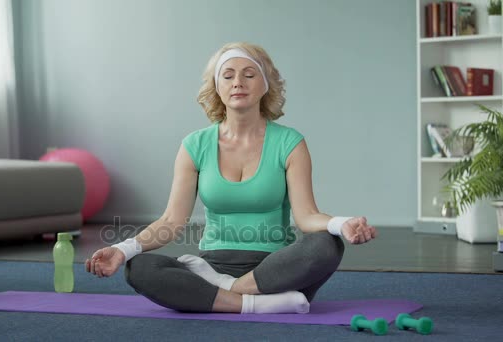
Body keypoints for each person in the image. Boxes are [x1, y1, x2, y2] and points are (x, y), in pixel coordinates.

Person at [85, 42, 377, 314]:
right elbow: (171, 222)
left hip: (275, 269)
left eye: (249, 74)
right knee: (139, 268)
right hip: (214, 262)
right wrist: (121, 250)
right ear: (217, 86)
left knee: (327, 243)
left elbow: (307, 216)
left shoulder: (290, 143)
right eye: (228, 76)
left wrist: (341, 224)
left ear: (266, 84)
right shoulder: (194, 145)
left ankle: (232, 292)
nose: (238, 82)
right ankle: (257, 305)